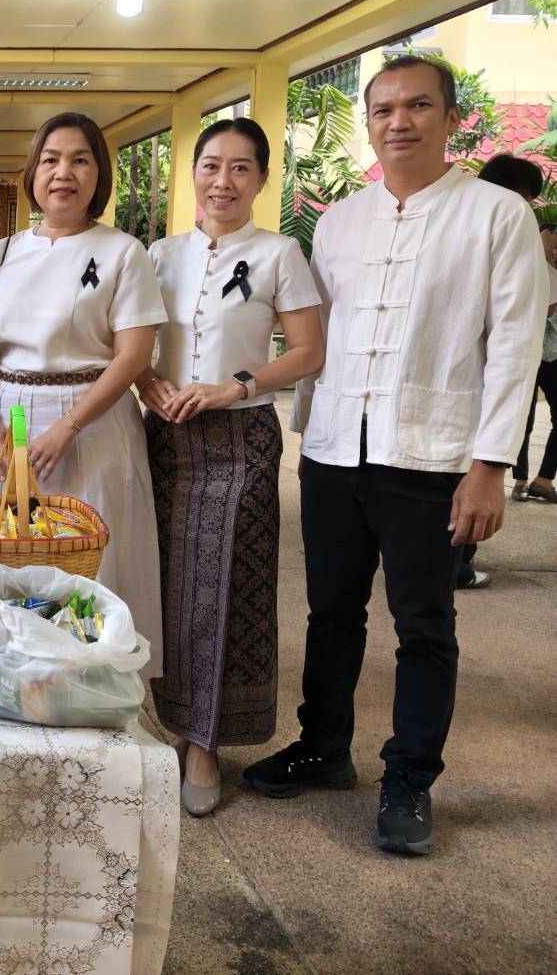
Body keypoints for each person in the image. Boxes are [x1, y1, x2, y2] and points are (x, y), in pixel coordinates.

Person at [244, 56, 547, 856]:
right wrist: (309, 436)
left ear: (450, 119)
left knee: (423, 626)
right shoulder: (339, 221)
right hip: (337, 450)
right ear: (369, 122)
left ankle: (409, 779)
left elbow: (514, 346)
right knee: (329, 613)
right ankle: (323, 748)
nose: (397, 121)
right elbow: (320, 339)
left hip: (433, 454)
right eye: (382, 109)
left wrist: (491, 464)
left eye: (417, 106)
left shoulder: (493, 215)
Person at [137, 118, 325, 817]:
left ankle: (205, 740)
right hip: (160, 438)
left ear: (259, 179)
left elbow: (307, 350)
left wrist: (234, 386)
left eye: (240, 169)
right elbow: (134, 344)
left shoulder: (279, 254)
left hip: (240, 437)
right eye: (210, 166)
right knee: (156, 582)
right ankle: (153, 719)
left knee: (222, 588)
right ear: (191, 172)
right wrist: (145, 385)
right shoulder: (156, 255)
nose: (223, 181)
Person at [0, 111, 167, 674]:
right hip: (6, 423)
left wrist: (69, 424)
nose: (64, 173)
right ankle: (13, 684)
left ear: (99, 174)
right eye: (51, 159)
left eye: (80, 159)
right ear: (33, 172)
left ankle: (99, 688)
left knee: (96, 562)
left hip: (94, 423)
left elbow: (133, 354)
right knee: (12, 554)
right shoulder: (1, 254)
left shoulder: (125, 251)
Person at [453, 154, 550, 585]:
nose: (527, 207)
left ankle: (456, 563)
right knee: (467, 474)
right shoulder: (506, 221)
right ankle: (458, 564)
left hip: (472, 380)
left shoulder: (458, 218)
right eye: (527, 197)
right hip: (478, 381)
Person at [512, 220, 557, 503]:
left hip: (553, 356)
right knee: (521, 420)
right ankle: (519, 480)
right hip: (524, 351)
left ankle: (543, 479)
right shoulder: (533, 269)